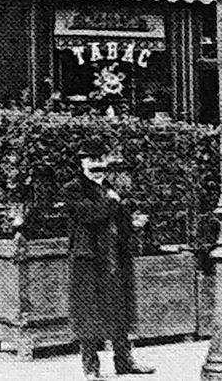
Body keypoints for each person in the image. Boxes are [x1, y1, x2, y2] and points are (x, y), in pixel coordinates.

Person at [62, 147, 154, 379]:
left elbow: (119, 221)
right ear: (82, 163)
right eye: (91, 161)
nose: (96, 167)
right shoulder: (73, 189)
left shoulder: (113, 189)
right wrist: (113, 203)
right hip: (89, 259)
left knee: (119, 309)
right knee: (89, 312)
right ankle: (91, 368)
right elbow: (89, 215)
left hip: (115, 257)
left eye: (100, 160)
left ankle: (124, 361)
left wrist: (134, 224)